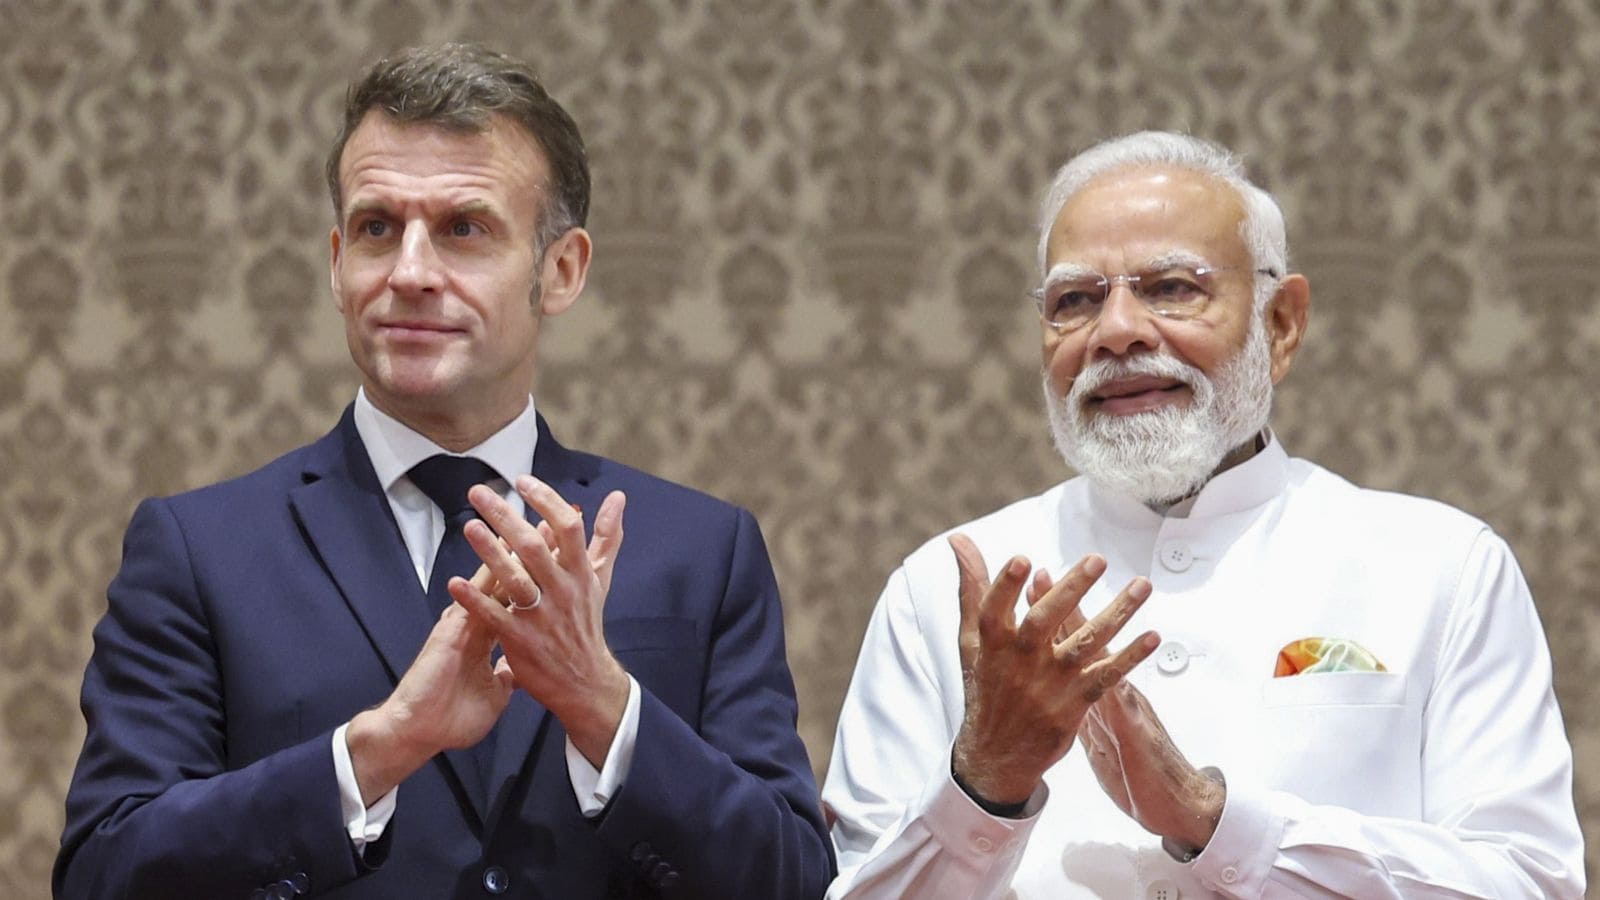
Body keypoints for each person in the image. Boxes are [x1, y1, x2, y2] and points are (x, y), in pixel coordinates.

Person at [55, 43, 833, 899]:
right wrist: (376, 751)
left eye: (464, 229)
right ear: (335, 263)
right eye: (376, 228)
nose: (411, 272)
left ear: (561, 270)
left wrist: (603, 706)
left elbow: (793, 879)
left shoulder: (700, 550)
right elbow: (103, 871)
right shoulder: (201, 550)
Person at [821, 131, 1585, 898]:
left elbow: (1530, 882)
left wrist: (1215, 821)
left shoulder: (1441, 566)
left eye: (1173, 288)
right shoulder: (944, 589)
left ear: (1280, 325)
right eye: (1075, 300)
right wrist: (986, 781)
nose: (1116, 331)